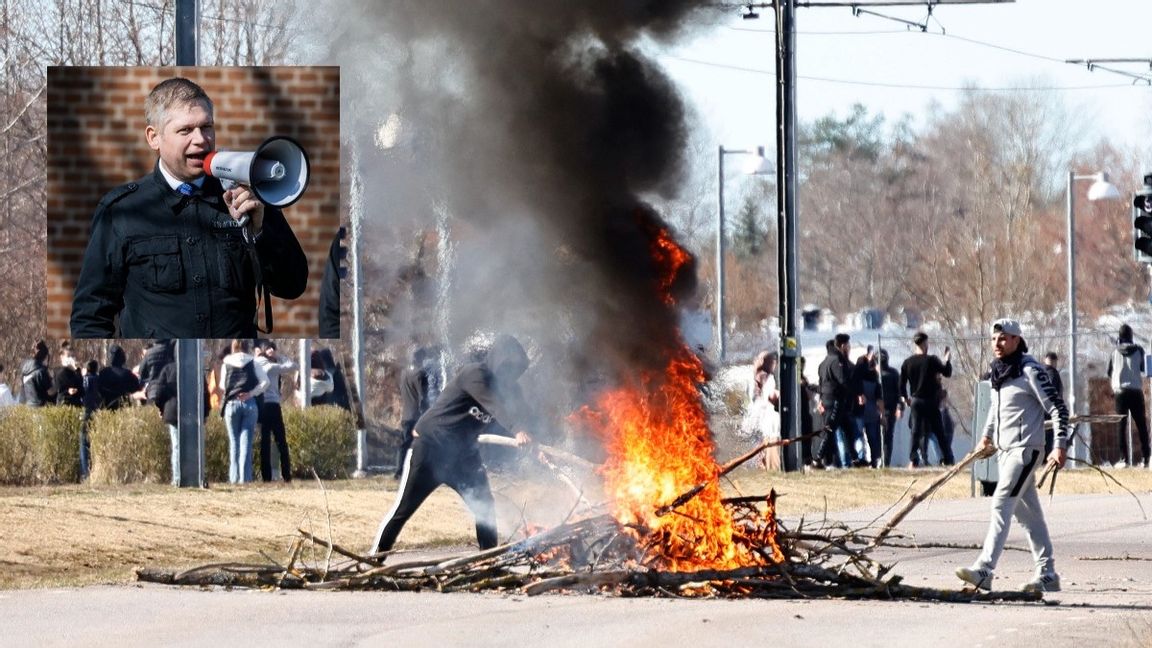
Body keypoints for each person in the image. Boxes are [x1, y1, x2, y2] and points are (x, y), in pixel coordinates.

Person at [70, 77, 308, 338]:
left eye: (207, 127)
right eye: (186, 130)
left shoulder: (249, 195)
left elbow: (292, 285)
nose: (201, 140)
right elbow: (90, 315)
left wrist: (261, 232)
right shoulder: (123, 211)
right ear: (154, 138)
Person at [371, 334, 535, 555]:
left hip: (464, 457)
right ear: (498, 361)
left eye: (515, 370)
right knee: (404, 509)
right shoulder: (475, 374)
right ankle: (376, 557)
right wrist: (517, 429)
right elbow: (497, 407)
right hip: (431, 449)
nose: (510, 375)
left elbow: (524, 414)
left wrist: (536, 445)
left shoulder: (510, 391)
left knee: (484, 506)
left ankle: (489, 560)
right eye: (507, 368)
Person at [956, 318, 1069, 593]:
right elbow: (995, 412)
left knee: (1001, 503)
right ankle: (1047, 573)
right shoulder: (999, 372)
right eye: (994, 339)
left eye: (1004, 338)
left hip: (1026, 450)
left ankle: (985, 569)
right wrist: (985, 437)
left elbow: (1058, 408)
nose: (997, 343)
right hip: (1005, 452)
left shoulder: (1030, 370)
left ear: (1017, 340)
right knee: (1029, 516)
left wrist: (1060, 445)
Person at [218, 339, 270, 484]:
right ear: (247, 347)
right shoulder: (253, 362)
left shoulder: (226, 363)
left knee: (234, 443)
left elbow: (223, 385)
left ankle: (233, 479)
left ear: (233, 347)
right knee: (246, 443)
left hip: (232, 404)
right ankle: (245, 479)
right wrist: (251, 393)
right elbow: (265, 382)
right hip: (249, 403)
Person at [900, 331, 954, 466]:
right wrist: (947, 359)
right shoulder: (931, 360)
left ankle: (913, 458)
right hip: (930, 401)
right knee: (939, 431)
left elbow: (901, 383)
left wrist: (905, 398)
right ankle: (948, 458)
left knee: (915, 431)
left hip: (916, 401)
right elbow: (947, 372)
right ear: (924, 344)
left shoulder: (907, 363)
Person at [1106, 324, 1150, 468]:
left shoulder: (1114, 353)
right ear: (1131, 336)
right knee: (1141, 425)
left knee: (1121, 426)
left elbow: (1109, 372)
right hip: (1136, 391)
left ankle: (1123, 459)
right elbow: (1144, 369)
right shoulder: (1138, 350)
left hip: (1120, 393)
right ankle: (1146, 458)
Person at [395, 346, 441, 479]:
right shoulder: (421, 374)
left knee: (404, 444)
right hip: (417, 417)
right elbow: (423, 397)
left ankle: (399, 471)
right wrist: (427, 414)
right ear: (421, 358)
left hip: (406, 415)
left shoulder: (404, 373)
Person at [254, 340, 296, 483]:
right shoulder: (271, 366)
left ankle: (266, 476)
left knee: (264, 442)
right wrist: (279, 356)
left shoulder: (254, 363)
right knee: (281, 441)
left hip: (260, 406)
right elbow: (292, 366)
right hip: (273, 405)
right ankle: (286, 474)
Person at [816, 334, 857, 468]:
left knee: (848, 429)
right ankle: (818, 458)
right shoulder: (837, 361)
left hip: (828, 400)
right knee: (830, 429)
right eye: (848, 345)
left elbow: (821, 384)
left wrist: (820, 399)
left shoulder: (824, 362)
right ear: (843, 346)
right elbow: (843, 381)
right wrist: (852, 392)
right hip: (835, 400)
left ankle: (855, 459)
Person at [748, 351, 781, 471]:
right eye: (774, 361)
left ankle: (763, 467)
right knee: (769, 444)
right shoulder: (765, 376)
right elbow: (771, 395)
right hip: (766, 417)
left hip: (758, 417)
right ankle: (769, 467)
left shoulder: (756, 375)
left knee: (762, 446)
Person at [854, 349, 883, 468]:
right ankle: (875, 459)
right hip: (872, 411)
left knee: (859, 436)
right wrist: (881, 413)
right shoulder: (875, 378)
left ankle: (861, 458)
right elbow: (878, 398)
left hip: (859, 411)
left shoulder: (856, 378)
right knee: (873, 437)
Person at [877, 349, 903, 468]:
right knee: (877, 436)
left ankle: (885, 462)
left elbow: (899, 392)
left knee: (887, 436)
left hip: (889, 409)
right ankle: (878, 459)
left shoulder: (893, 373)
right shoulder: (874, 373)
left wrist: (900, 406)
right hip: (875, 409)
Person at [97, 345, 141, 410]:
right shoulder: (128, 374)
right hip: (123, 409)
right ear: (122, 357)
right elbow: (136, 390)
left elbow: (97, 390)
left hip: (105, 410)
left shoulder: (103, 373)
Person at [79, 359, 103, 480]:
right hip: (97, 411)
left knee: (84, 442)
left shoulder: (84, 380)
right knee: (95, 442)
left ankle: (85, 473)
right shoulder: (99, 380)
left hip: (85, 411)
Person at [1041, 352, 1064, 458]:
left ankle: (1042, 459)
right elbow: (1053, 393)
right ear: (1055, 361)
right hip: (1050, 411)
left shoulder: (1039, 372)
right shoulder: (1053, 374)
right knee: (1049, 437)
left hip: (1040, 411)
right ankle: (1046, 459)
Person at [21, 340, 55, 407]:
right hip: (41, 408)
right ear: (44, 356)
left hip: (27, 407)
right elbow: (50, 392)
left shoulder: (24, 369)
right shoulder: (41, 372)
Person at [54, 342, 84, 407]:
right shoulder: (58, 371)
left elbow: (81, 389)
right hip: (64, 405)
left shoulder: (75, 372)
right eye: (68, 356)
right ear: (62, 357)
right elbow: (56, 389)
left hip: (76, 405)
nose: (71, 358)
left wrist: (77, 370)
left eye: (72, 356)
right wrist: (67, 391)